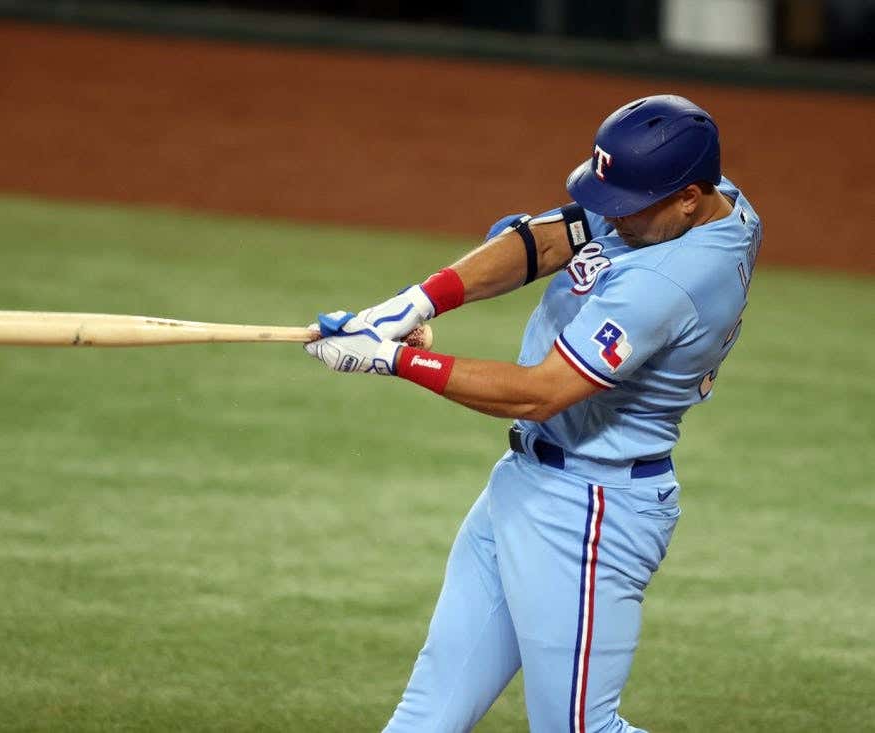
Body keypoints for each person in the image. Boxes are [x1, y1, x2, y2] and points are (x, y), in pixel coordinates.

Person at [304, 94, 763, 732]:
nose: (612, 216)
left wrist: (393, 361)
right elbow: (556, 238)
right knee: (427, 717)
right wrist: (416, 303)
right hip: (526, 483)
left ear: (688, 196)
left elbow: (537, 392)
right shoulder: (709, 200)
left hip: (591, 508)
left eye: (626, 206)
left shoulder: (671, 281)